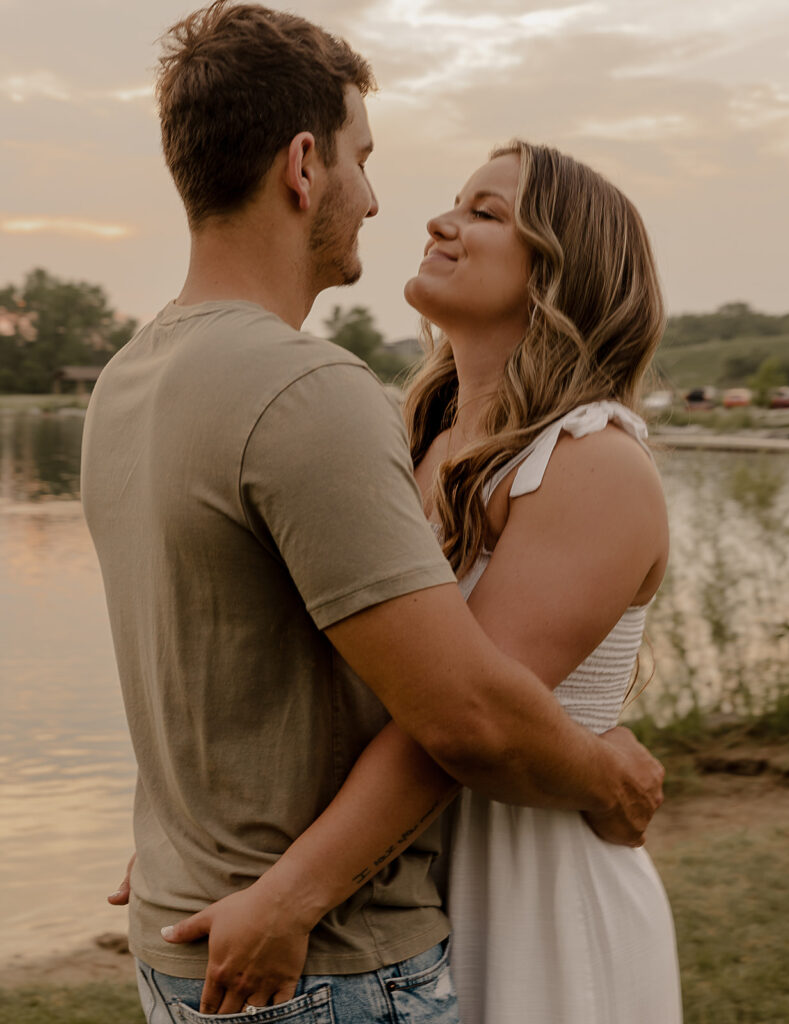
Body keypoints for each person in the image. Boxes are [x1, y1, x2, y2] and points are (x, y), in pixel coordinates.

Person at [83, 2, 663, 1021]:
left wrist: (285, 877)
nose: (428, 215)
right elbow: (366, 683)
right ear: (304, 168)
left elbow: (464, 715)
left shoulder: (594, 464)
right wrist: (211, 824)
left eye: (486, 212)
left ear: (565, 265)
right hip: (394, 881)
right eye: (449, 195)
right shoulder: (392, 430)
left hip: (524, 883)